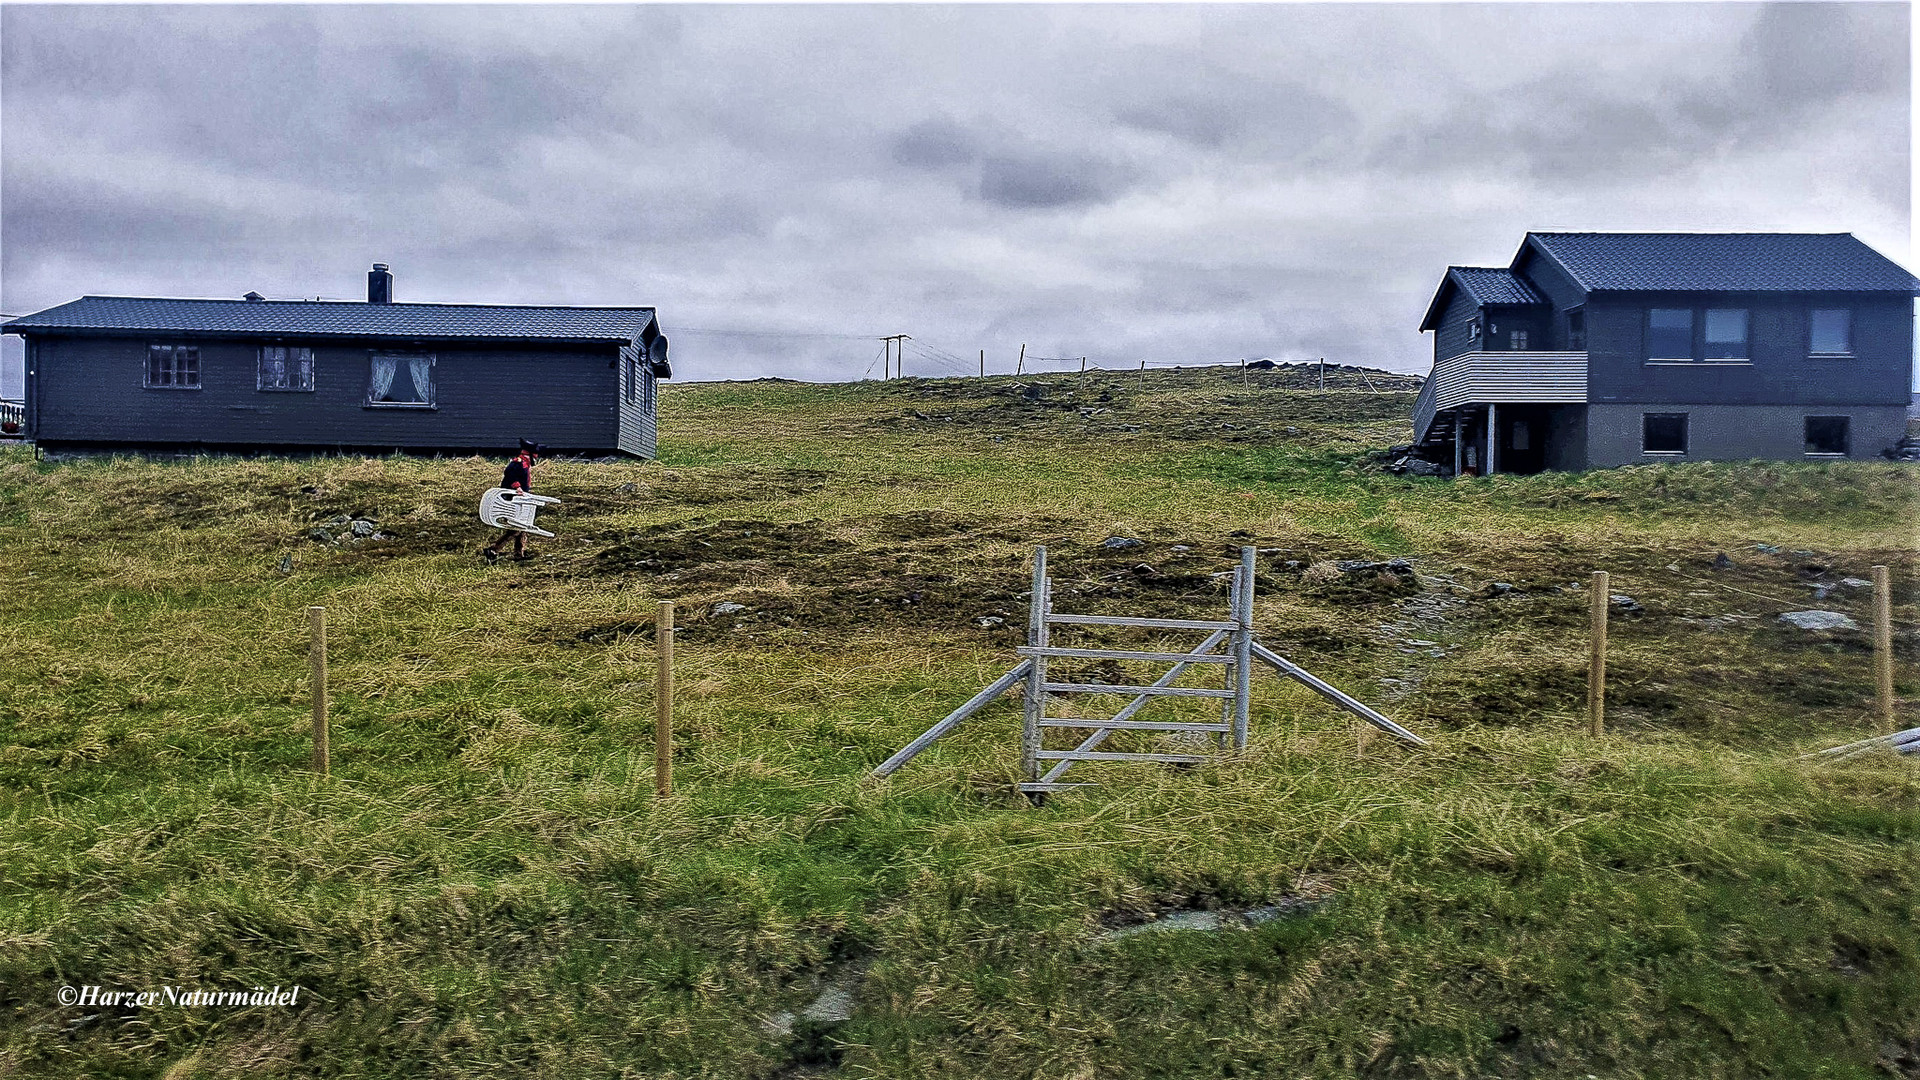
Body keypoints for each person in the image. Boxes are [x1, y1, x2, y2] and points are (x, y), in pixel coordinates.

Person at [481, 439, 542, 562]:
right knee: (517, 528)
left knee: (522, 527)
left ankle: (519, 554)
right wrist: (517, 487)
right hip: (514, 500)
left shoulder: (524, 464)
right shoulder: (518, 463)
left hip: (521, 499)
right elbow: (509, 474)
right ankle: (494, 549)